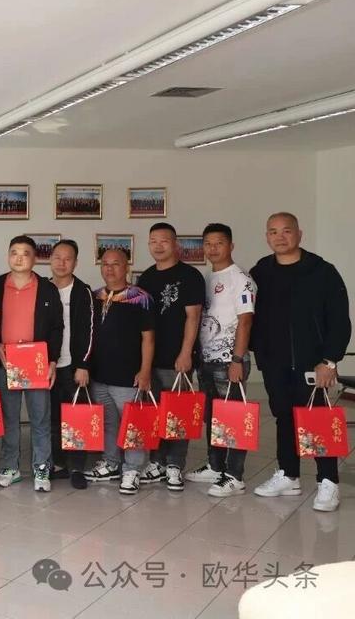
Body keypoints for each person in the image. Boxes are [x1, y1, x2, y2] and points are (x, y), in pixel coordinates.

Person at [250, 212, 350, 512]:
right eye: (273, 232)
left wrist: (329, 361)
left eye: (286, 231)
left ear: (299, 234)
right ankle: (288, 475)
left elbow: (340, 320)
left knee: (318, 419)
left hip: (313, 362)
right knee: (283, 417)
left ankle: (328, 482)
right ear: (266, 236)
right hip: (274, 362)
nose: (280, 237)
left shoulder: (322, 271)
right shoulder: (261, 272)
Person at [184, 224, 256, 497]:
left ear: (231, 246)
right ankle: (215, 467)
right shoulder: (208, 276)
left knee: (234, 418)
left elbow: (245, 321)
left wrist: (237, 359)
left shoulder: (241, 279)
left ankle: (235, 476)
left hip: (229, 361)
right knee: (213, 417)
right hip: (207, 360)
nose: (213, 249)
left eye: (219, 243)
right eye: (208, 244)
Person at [135, 222, 205, 491]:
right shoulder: (146, 277)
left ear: (175, 244)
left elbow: (193, 317)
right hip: (151, 359)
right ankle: (157, 462)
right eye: (153, 241)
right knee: (156, 413)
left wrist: (186, 353)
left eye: (164, 240)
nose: (158, 246)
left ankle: (175, 464)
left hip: (178, 359)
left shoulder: (190, 275)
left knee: (179, 413)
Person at [0, 236, 63, 492]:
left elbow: (57, 327)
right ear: (8, 256)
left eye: (25, 253)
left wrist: (52, 360)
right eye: (14, 252)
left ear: (35, 258)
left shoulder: (47, 288)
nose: (19, 258)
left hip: (37, 363)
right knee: (9, 419)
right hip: (6, 362)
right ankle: (11, 467)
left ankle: (42, 467)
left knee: (40, 419)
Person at [86, 248, 155, 495]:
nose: (109, 268)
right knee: (109, 423)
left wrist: (145, 371)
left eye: (116, 264)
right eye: (105, 264)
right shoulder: (95, 296)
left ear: (127, 267)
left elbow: (148, 338)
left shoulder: (140, 298)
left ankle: (133, 469)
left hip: (128, 376)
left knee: (133, 424)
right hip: (99, 375)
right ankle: (111, 463)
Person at [47, 239, 94, 490]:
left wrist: (83, 364)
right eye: (57, 257)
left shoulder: (82, 291)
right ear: (50, 259)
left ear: (75, 263)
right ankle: (58, 465)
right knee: (53, 419)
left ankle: (77, 467)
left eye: (67, 259)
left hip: (74, 367)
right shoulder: (43, 289)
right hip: (48, 367)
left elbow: (89, 330)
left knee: (76, 418)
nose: (61, 263)